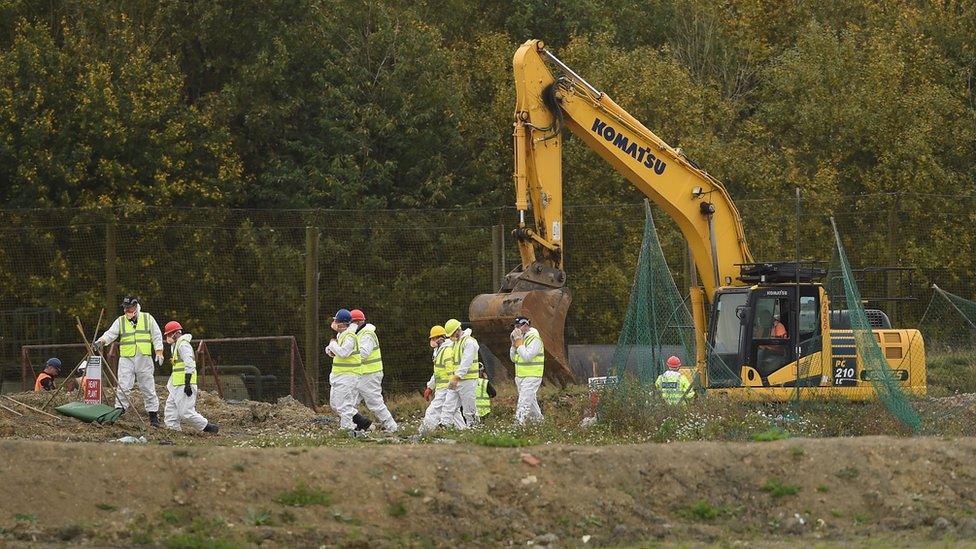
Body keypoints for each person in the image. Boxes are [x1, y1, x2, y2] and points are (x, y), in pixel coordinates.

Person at [92, 296, 164, 427]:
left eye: (128, 307)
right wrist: (101, 341)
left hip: (144, 357)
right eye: (125, 308)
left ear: (135, 306)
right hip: (127, 358)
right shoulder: (121, 321)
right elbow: (111, 334)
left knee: (147, 387)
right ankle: (119, 409)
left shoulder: (148, 318)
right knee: (123, 385)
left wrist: (159, 351)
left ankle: (153, 416)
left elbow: (157, 335)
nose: (126, 310)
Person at [162, 321, 218, 433]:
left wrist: (187, 383)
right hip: (176, 384)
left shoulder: (183, 345)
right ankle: (172, 430)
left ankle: (207, 427)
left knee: (185, 413)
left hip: (184, 384)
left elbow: (190, 364)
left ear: (176, 333)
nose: (168, 337)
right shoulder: (176, 345)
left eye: (169, 334)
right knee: (170, 409)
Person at [350, 309, 397, 433]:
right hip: (361, 374)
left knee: (374, 403)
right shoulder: (358, 334)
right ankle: (354, 426)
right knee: (350, 402)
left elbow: (363, 354)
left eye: (350, 323)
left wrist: (346, 354)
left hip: (370, 374)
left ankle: (392, 427)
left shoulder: (367, 334)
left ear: (358, 322)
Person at [325, 309, 371, 433]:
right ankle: (362, 422)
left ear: (342, 323)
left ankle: (347, 429)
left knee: (344, 405)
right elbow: (333, 351)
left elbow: (344, 352)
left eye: (336, 320)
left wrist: (332, 344)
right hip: (339, 375)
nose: (334, 323)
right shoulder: (341, 335)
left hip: (348, 375)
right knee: (335, 405)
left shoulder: (350, 336)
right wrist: (330, 349)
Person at [419, 325, 464, 434]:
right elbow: (437, 373)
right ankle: (464, 432)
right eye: (432, 338)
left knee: (433, 411)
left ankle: (424, 433)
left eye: (435, 338)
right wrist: (430, 387)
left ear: (441, 338)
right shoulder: (438, 351)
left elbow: (451, 372)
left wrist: (452, 389)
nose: (432, 341)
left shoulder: (446, 351)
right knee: (453, 412)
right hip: (443, 388)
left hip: (445, 388)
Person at [441, 318, 481, 428]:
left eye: (452, 334)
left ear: (458, 330)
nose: (451, 337)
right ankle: (445, 426)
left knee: (469, 409)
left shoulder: (469, 342)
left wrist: (457, 377)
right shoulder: (455, 343)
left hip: (467, 380)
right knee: (448, 406)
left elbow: (466, 362)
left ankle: (474, 429)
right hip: (457, 380)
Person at [510, 316, 544, 424]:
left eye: (518, 326)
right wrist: (513, 345)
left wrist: (519, 343)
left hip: (532, 375)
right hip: (520, 376)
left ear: (526, 325)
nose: (516, 330)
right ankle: (540, 424)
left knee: (524, 401)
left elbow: (527, 356)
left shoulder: (534, 338)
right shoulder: (521, 338)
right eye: (515, 327)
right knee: (531, 402)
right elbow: (513, 358)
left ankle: (518, 426)